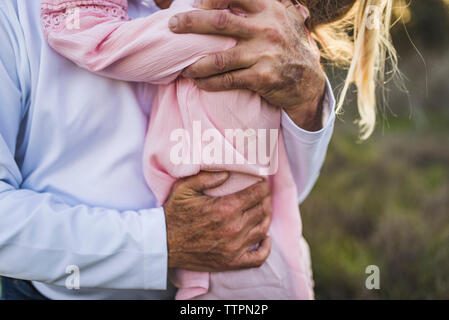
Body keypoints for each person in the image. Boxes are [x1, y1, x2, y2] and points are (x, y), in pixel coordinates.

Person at [1, 0, 395, 300]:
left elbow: (275, 194)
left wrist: (307, 101)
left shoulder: (249, 15)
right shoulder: (19, 14)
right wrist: (161, 243)